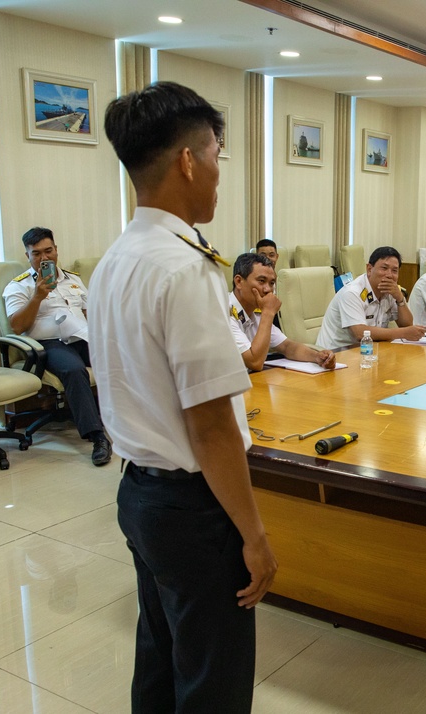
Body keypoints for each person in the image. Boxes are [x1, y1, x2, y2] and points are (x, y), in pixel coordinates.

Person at [91, 81, 277, 713]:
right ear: (189, 161)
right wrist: (253, 534)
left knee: (162, 654)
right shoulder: (185, 268)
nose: (220, 176)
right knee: (213, 678)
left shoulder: (116, 258)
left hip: (139, 492)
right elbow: (211, 425)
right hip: (192, 509)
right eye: (218, 157)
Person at [2, 227, 110, 466]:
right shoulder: (18, 286)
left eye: (48, 251)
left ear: (56, 250)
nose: (44, 258)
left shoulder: (73, 279)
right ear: (28, 256)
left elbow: (90, 310)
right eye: (36, 253)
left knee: (121, 357)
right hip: (49, 344)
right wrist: (37, 297)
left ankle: (134, 422)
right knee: (73, 370)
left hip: (82, 337)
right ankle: (98, 438)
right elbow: (17, 326)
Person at [229, 252, 335, 371]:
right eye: (261, 281)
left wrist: (317, 356)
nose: (268, 289)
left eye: (272, 283)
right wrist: (268, 313)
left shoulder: (256, 311)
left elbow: (287, 346)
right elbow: (255, 362)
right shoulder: (225, 314)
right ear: (238, 282)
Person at [317, 246, 426, 349]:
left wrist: (399, 298)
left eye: (394, 270)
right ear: (369, 269)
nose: (389, 275)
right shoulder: (352, 292)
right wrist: (403, 333)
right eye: (384, 268)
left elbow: (406, 325)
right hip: (337, 353)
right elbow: (359, 333)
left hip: (369, 351)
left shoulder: (391, 291)